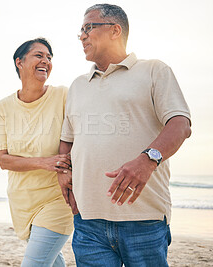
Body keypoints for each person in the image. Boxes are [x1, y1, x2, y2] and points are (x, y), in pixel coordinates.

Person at [58, 4, 192, 267]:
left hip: (144, 219)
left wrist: (147, 159)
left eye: (88, 28)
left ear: (115, 30)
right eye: (80, 32)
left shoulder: (154, 70)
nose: (82, 36)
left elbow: (180, 124)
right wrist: (63, 173)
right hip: (88, 222)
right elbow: (67, 140)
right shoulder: (76, 86)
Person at [0, 38, 74, 267]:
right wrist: (45, 162)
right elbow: (4, 160)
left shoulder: (63, 96)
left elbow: (79, 140)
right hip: (22, 200)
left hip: (57, 199)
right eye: (39, 55)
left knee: (35, 263)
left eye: (49, 57)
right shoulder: (3, 107)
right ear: (20, 62)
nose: (46, 61)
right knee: (52, 261)